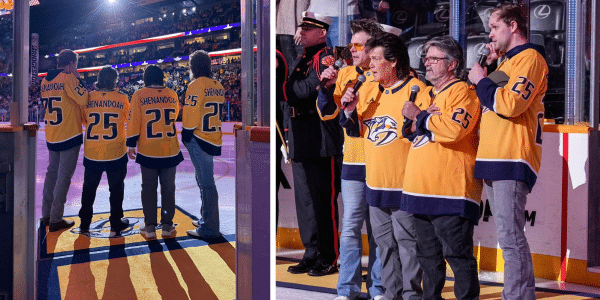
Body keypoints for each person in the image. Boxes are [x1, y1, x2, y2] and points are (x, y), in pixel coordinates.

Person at [468, 4, 548, 299]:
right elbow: (486, 98)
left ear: (513, 26)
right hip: (493, 155)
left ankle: (517, 296)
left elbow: (509, 105)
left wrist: (482, 79)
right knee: (508, 235)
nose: (489, 34)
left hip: (511, 156)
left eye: (494, 27)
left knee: (511, 236)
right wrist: (488, 71)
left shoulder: (530, 59)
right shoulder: (505, 65)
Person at [340, 32, 424, 300]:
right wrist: (350, 111)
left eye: (376, 59)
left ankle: (410, 296)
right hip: (375, 182)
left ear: (393, 61)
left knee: (408, 246)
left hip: (405, 185)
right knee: (384, 247)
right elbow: (356, 132)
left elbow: (423, 136)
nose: (370, 64)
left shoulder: (417, 89)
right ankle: (389, 294)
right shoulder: (369, 90)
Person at [402, 35, 482, 300]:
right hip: (419, 189)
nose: (427, 63)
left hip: (451, 190)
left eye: (434, 58)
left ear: (452, 64)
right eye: (426, 58)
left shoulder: (464, 92)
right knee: (427, 257)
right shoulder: (426, 93)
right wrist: (424, 119)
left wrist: (421, 117)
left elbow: (453, 130)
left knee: (457, 255)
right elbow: (411, 131)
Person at [317, 18, 385, 300]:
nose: (352, 49)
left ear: (373, 48)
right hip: (354, 160)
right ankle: (347, 289)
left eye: (359, 44)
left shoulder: (389, 75)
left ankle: (379, 288)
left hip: (383, 162)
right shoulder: (344, 74)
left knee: (379, 229)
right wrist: (324, 88)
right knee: (350, 226)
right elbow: (328, 114)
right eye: (352, 44)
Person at [284, 11, 344, 276]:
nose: (302, 32)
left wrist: (284, 88)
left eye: (308, 28)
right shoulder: (303, 58)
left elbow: (303, 92)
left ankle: (329, 257)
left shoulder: (325, 59)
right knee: (306, 202)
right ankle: (312, 253)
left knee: (323, 202)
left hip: (321, 138)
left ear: (322, 32)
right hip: (301, 134)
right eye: (302, 28)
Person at [127, 65, 183, 239]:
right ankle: (167, 225)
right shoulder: (172, 94)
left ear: (146, 78)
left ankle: (150, 226)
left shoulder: (139, 95)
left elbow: (134, 120)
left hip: (148, 149)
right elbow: (174, 115)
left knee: (149, 189)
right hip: (170, 148)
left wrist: (131, 143)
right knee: (168, 189)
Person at [77, 66, 130, 237]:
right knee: (116, 189)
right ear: (114, 80)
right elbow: (124, 119)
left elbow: (84, 121)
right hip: (116, 150)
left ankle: (84, 223)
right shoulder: (122, 98)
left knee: (89, 189)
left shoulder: (88, 97)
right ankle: (116, 221)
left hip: (93, 151)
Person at [40, 49, 88, 232]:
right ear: (71, 64)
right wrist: (78, 78)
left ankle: (46, 215)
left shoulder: (45, 80)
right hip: (68, 134)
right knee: (63, 178)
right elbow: (83, 99)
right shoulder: (68, 78)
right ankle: (56, 218)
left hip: (52, 134)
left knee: (51, 174)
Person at [180, 50, 224, 239]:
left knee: (206, 182)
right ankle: (206, 218)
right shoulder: (218, 85)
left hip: (199, 137)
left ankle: (209, 227)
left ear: (193, 67)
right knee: (204, 180)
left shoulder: (196, 85)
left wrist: (186, 133)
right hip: (213, 136)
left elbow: (191, 114)